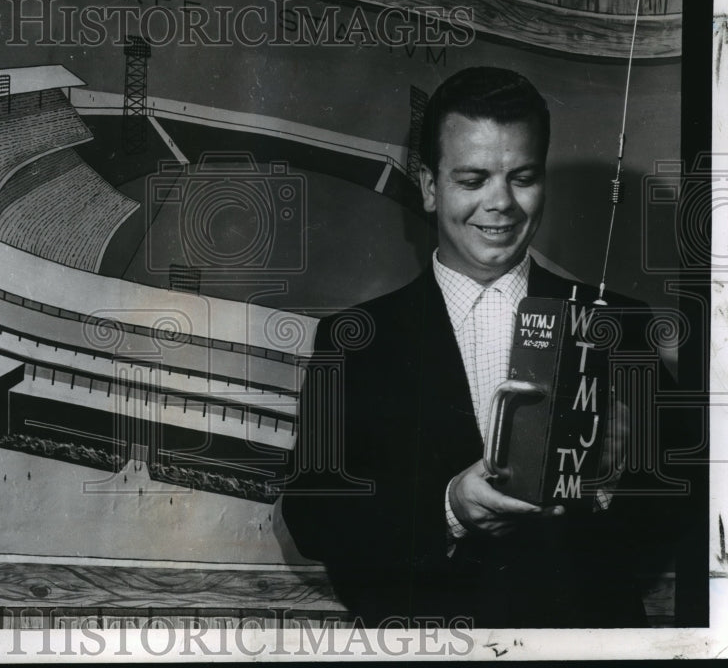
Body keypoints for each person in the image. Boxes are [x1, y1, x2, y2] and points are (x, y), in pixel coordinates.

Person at [281, 66, 663, 628]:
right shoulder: (353, 338)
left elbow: (691, 506)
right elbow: (312, 516)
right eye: (473, 179)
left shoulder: (621, 324)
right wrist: (450, 509)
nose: (500, 203)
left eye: (523, 176)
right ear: (431, 187)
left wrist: (621, 474)